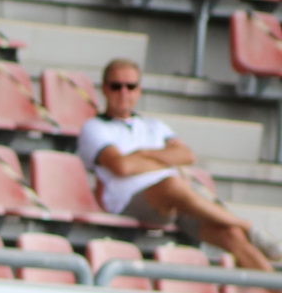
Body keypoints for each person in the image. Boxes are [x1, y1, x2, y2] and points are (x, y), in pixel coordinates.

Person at [77, 57, 280, 271]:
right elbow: (122, 166)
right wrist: (165, 160)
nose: (124, 92)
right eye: (116, 86)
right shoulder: (94, 127)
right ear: (105, 89)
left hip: (175, 203)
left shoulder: (154, 125)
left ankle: (273, 287)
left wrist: (142, 154)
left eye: (131, 86)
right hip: (128, 200)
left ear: (139, 90)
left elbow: (186, 155)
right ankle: (247, 225)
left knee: (231, 235)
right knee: (171, 184)